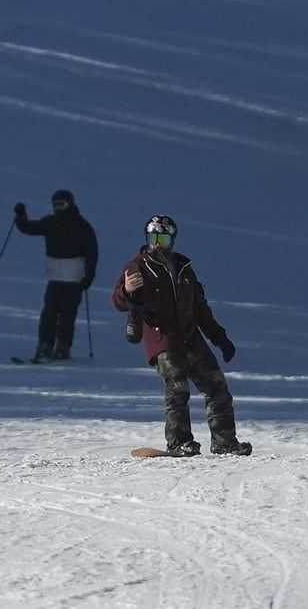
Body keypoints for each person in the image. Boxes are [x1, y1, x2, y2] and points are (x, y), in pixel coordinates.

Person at [111, 215, 251, 456]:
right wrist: (126, 290)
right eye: (152, 237)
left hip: (189, 336)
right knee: (177, 387)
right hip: (161, 337)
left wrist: (220, 339)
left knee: (216, 385)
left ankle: (224, 441)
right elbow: (118, 301)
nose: (157, 244)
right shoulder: (137, 267)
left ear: (172, 240)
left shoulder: (185, 269)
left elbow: (200, 310)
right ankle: (179, 441)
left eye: (162, 238)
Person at [13, 189, 98, 361]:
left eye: (62, 204)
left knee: (67, 314)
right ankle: (45, 345)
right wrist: (21, 216)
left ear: (70, 204)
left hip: (74, 279)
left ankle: (63, 347)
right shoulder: (50, 222)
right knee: (49, 313)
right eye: (55, 205)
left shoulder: (81, 226)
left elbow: (92, 252)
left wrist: (89, 275)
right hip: (55, 277)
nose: (58, 208)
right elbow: (29, 228)